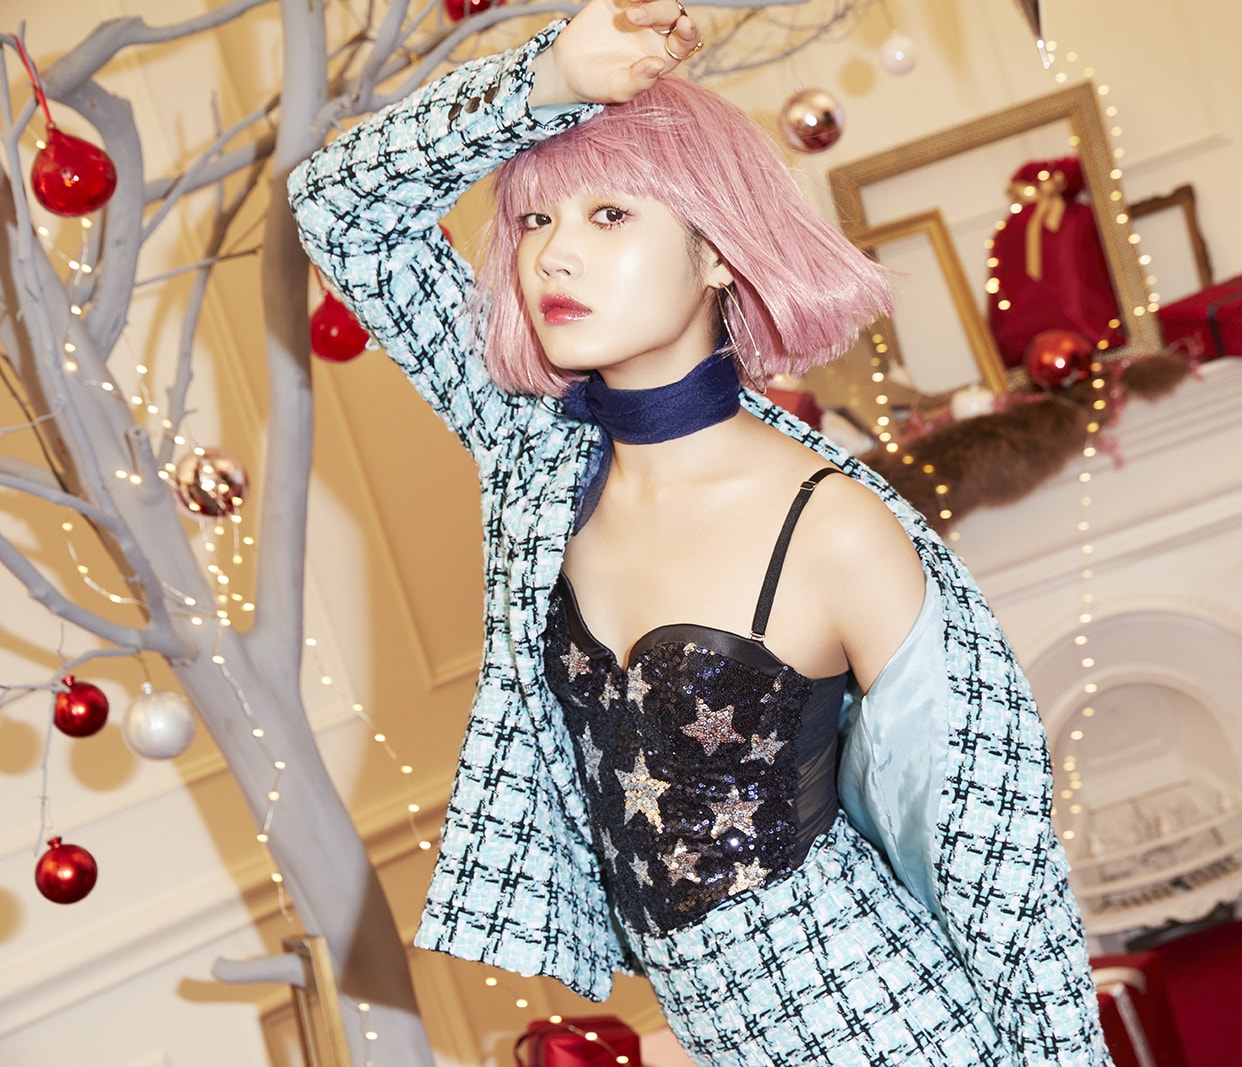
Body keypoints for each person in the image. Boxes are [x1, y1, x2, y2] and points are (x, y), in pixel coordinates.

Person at [289, 2, 1107, 1063]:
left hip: (887, 1027)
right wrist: (549, 78)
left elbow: (1004, 872)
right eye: (533, 220)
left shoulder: (833, 526)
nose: (555, 257)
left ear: (718, 251)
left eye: (610, 215)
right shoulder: (536, 452)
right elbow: (339, 205)